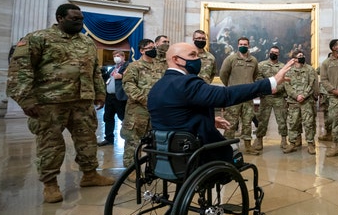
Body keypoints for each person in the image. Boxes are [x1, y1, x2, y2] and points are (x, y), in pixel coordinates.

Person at [6, 3, 114, 203]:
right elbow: (20, 69)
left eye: (81, 19)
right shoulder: (38, 38)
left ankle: (90, 175)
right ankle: (50, 184)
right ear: (60, 18)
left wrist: (100, 93)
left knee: (87, 140)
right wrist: (26, 98)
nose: (79, 22)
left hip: (82, 102)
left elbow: (95, 71)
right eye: (75, 19)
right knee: (51, 144)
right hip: (50, 103)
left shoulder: (87, 42)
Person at [148, 43, 295, 164]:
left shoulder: (158, 86)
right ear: (176, 59)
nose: (197, 59)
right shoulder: (187, 82)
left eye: (197, 55)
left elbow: (175, 117)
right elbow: (225, 95)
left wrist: (210, 120)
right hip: (193, 154)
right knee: (232, 154)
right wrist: (272, 81)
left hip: (166, 154)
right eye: (192, 55)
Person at [121, 39, 164, 168]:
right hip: (137, 111)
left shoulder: (160, 66)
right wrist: (145, 100)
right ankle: (131, 169)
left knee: (154, 141)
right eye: (149, 48)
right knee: (133, 141)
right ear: (141, 50)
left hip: (155, 112)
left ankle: (153, 167)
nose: (153, 50)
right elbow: (128, 86)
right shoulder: (134, 66)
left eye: (154, 47)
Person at [219, 37, 260, 155]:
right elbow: (223, 74)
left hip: (247, 97)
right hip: (234, 96)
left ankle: (248, 146)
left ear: (249, 45)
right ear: (237, 45)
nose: (243, 46)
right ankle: (225, 146)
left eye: (245, 44)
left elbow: (255, 75)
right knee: (230, 122)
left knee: (247, 122)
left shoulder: (253, 60)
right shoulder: (231, 59)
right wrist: (231, 86)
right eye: (241, 44)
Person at [283, 50, 318, 154]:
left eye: (303, 55)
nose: (302, 57)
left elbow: (311, 84)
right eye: (299, 56)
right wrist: (296, 95)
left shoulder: (310, 70)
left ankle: (310, 144)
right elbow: (287, 85)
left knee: (309, 123)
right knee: (293, 123)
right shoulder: (289, 71)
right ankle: (292, 143)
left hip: (307, 101)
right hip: (293, 102)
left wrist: (304, 95)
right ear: (294, 59)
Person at [255, 46, 288, 151]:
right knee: (262, 120)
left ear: (279, 54)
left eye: (276, 52)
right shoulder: (261, 65)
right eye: (272, 52)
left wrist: (277, 89)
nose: (274, 53)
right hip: (266, 97)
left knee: (282, 119)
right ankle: (259, 140)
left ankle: (284, 140)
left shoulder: (283, 67)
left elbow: (285, 81)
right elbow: (258, 79)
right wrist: (268, 88)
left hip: (279, 97)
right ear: (269, 52)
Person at [98, 50, 128, 146]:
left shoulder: (128, 67)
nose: (116, 57)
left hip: (120, 97)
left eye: (118, 55)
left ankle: (128, 139)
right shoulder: (112, 69)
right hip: (109, 97)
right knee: (108, 117)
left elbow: (132, 77)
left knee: (124, 118)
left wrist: (122, 76)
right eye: (114, 55)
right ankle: (109, 138)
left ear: (123, 57)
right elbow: (108, 80)